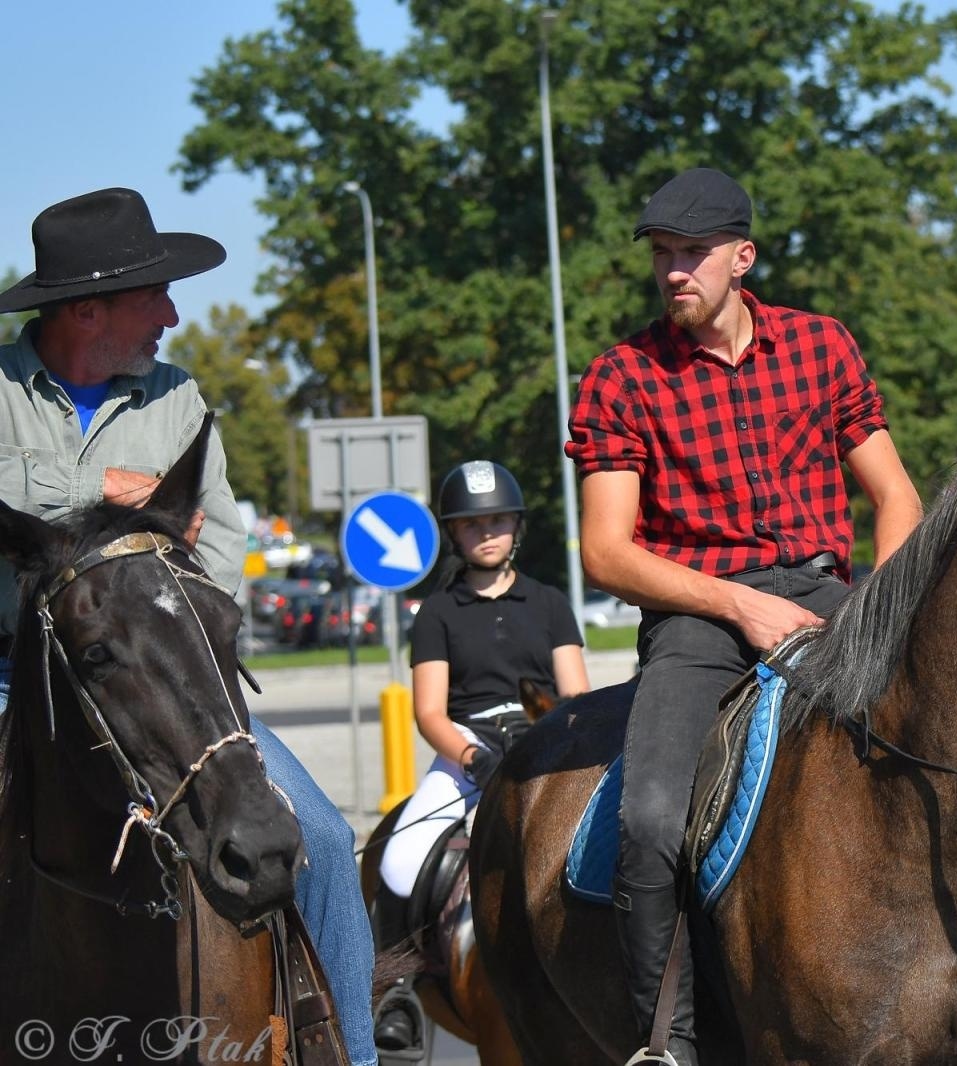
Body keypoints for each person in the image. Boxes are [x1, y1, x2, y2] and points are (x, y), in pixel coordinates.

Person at [0, 187, 379, 1065]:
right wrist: (111, 498)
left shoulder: (177, 396)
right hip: (17, 678)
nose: (172, 315)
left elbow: (227, 536)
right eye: (153, 296)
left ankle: (349, 1051)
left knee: (319, 836)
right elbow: (171, 521)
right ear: (86, 309)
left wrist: (176, 637)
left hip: (161, 680)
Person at [565, 167, 923, 1065]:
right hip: (696, 619)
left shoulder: (821, 347)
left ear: (742, 257)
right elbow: (606, 553)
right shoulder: (622, 376)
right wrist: (739, 604)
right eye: (663, 255)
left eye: (692, 253)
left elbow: (895, 496)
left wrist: (879, 608)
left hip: (833, 602)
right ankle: (665, 1045)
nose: (674, 272)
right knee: (649, 820)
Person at [371, 459, 589, 1052]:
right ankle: (394, 992)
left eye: (497, 521)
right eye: (473, 524)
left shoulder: (548, 603)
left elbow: (575, 695)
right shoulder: (438, 614)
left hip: (545, 747)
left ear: (516, 527)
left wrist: (565, 743)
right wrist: (472, 759)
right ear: (454, 534)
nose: (486, 533)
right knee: (401, 854)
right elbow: (430, 712)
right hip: (469, 755)